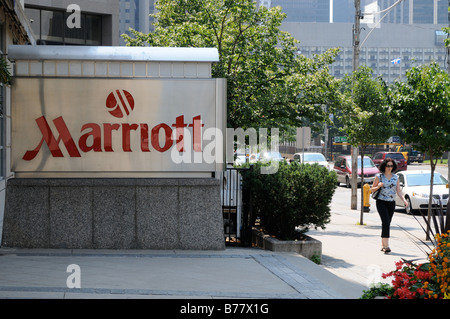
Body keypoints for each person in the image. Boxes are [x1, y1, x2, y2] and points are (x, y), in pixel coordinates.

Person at [371, 158, 408, 254]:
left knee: (387, 223)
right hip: (381, 202)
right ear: (384, 166)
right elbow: (372, 190)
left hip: (391, 203)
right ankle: (386, 246)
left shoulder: (396, 177)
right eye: (388, 166)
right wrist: (378, 186)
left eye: (391, 166)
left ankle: (383, 245)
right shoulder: (379, 177)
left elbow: (398, 192)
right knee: (386, 222)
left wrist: (404, 200)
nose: (389, 168)